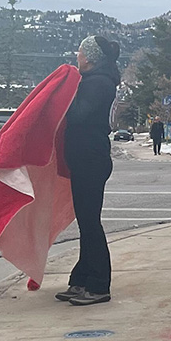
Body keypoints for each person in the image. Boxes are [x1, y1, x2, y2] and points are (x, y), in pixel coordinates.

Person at [54, 36, 121, 306]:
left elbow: (79, 114)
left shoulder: (98, 84)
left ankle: (98, 285)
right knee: (86, 222)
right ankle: (81, 280)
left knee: (90, 222)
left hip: (90, 159)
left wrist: (65, 92)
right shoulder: (96, 81)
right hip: (85, 158)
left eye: (80, 51)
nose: (77, 55)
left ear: (91, 57)